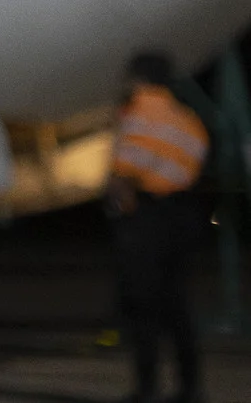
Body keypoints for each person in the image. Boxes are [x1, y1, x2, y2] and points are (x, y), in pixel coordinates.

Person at [108, 50, 211, 403]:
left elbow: (126, 171)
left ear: (139, 78)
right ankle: (191, 387)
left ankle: (147, 388)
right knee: (177, 305)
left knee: (143, 307)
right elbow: (196, 158)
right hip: (183, 213)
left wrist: (120, 209)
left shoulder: (137, 113)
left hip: (147, 218)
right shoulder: (188, 118)